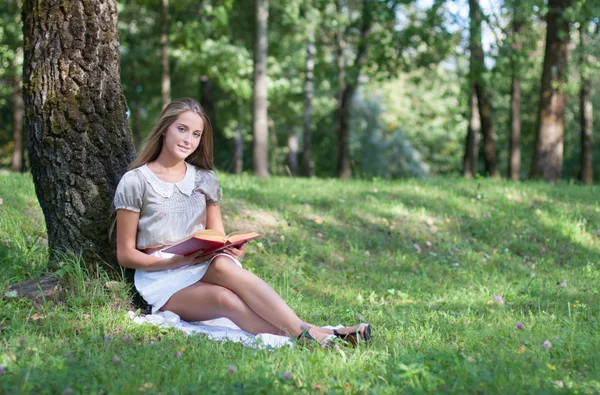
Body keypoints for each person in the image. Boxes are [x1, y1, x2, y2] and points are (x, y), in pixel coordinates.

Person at [114, 98, 371, 347]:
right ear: (164, 128)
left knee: (226, 266)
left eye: (196, 134)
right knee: (224, 299)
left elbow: (217, 235)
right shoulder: (136, 181)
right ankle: (320, 333)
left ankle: (308, 335)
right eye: (181, 129)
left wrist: (229, 248)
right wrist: (175, 261)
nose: (187, 140)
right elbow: (125, 255)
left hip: (203, 261)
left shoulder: (205, 179)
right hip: (161, 275)